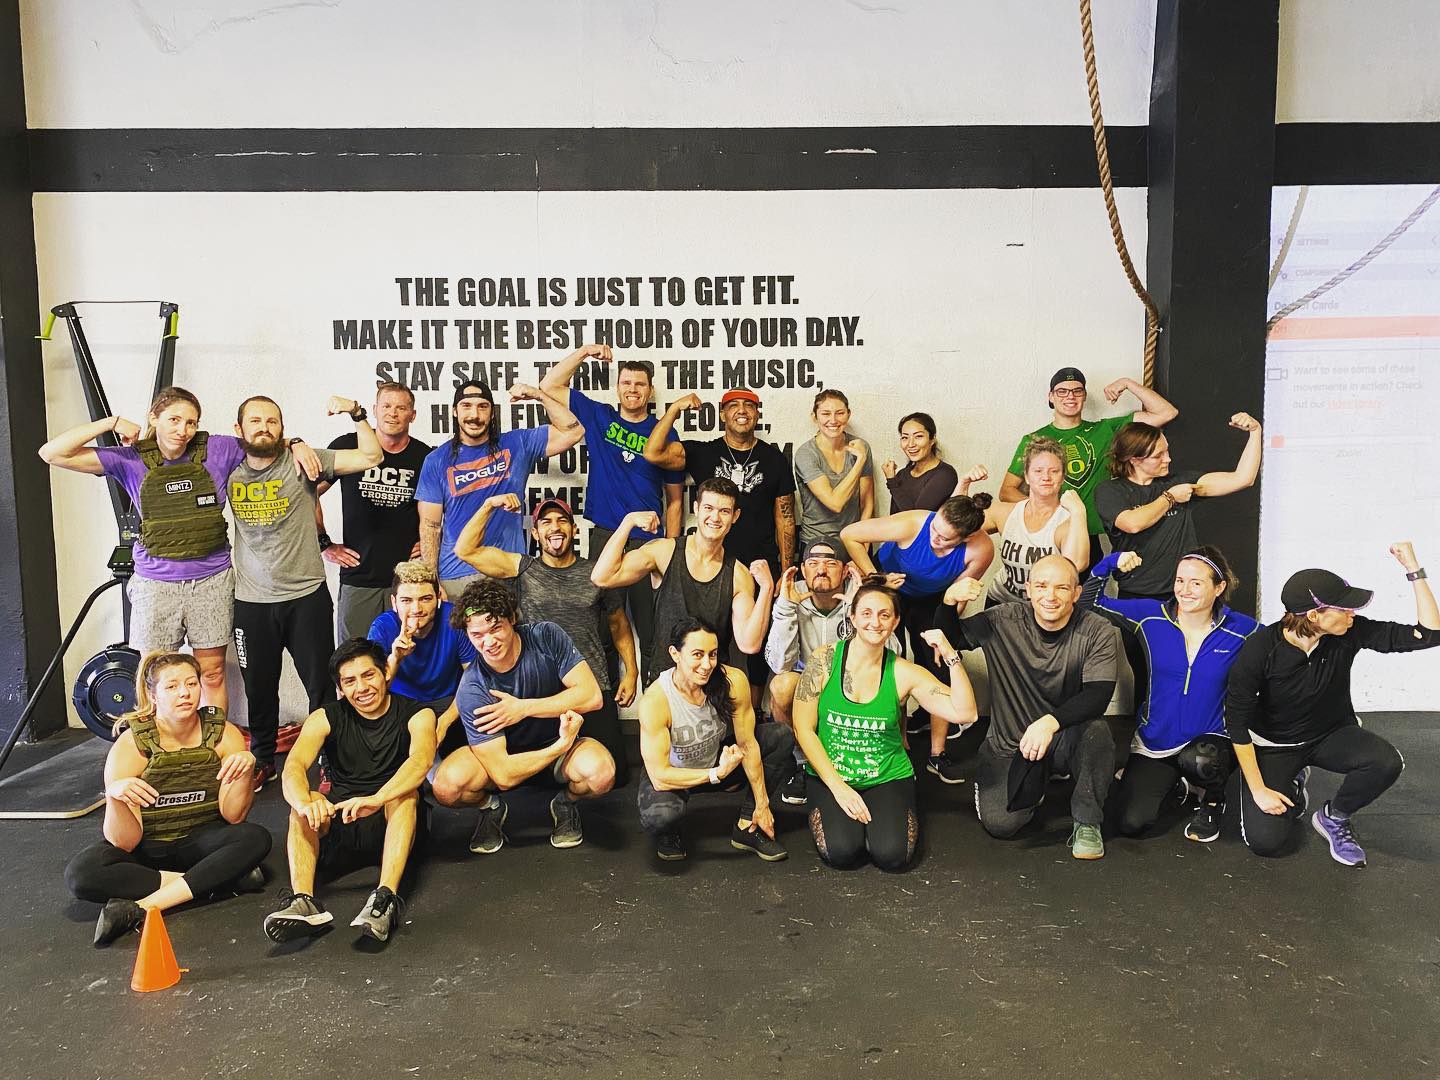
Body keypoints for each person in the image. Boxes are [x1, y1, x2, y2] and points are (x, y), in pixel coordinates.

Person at [37, 386, 297, 711]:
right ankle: (159, 741)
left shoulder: (218, 449)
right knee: (155, 676)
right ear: (154, 418)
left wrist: (297, 444)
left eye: (191, 422)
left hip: (212, 582)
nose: (182, 430)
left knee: (212, 673)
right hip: (156, 585)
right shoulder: (130, 459)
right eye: (174, 419)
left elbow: (264, 443)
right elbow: (52, 453)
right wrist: (110, 422)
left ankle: (212, 742)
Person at [1225, 543, 1440, 867]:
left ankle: (1334, 817)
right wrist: (1259, 790)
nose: (1352, 614)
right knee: (1266, 842)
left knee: (1385, 762)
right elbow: (1236, 721)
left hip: (1329, 734)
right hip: (1276, 746)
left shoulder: (1349, 632)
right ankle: (1293, 779)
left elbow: (1430, 634)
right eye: (1344, 609)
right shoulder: (1261, 650)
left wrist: (1414, 569)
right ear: (1314, 616)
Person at [229, 394, 383, 790]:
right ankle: (263, 759)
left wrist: (356, 413)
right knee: (259, 689)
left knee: (321, 686)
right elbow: (177, 445)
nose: (264, 428)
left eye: (272, 422)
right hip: (252, 602)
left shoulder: (303, 461)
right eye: (255, 421)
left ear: (282, 428)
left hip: (305, 598)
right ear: (239, 429)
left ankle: (330, 762)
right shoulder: (226, 465)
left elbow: (372, 456)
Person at [64, 652, 269, 946]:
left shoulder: (223, 733)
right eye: (172, 686)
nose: (184, 693)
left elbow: (233, 816)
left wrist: (246, 771)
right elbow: (125, 843)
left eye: (191, 683)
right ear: (153, 695)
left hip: (201, 840)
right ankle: (217, 879)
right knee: (81, 874)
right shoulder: (131, 744)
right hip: (148, 847)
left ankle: (143, 906)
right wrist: (116, 798)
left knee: (256, 838)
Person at [934, 557, 1123, 860]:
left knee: (1097, 732)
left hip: (1061, 737)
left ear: (1076, 593)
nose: (1050, 596)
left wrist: (1049, 723)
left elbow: (1098, 695)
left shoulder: (1097, 630)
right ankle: (1036, 783)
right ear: (1029, 589)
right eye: (1042, 586)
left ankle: (1087, 820)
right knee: (1002, 825)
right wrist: (947, 602)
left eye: (1062, 588)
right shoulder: (1002, 619)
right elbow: (951, 638)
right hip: (1010, 744)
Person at [792, 581, 977, 872]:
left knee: (892, 856)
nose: (875, 622)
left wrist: (950, 654)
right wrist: (838, 787)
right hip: (832, 775)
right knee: (842, 852)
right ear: (852, 617)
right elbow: (803, 728)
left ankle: (883, 817)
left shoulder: (904, 672)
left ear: (895, 622)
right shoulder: (824, 661)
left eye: (884, 615)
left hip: (886, 775)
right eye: (866, 613)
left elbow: (966, 713)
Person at [453, 492, 637, 782]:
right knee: (538, 774)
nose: (555, 527)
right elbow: (465, 550)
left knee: (609, 776)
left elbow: (618, 623)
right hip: (541, 686)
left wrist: (631, 672)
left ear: (574, 530)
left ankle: (568, 801)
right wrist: (488, 505)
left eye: (562, 520)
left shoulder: (596, 573)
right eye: (546, 522)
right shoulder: (523, 567)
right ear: (536, 533)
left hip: (590, 684)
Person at [263, 640, 436, 944]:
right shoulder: (325, 717)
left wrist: (377, 798)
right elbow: (294, 766)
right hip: (343, 818)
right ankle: (303, 902)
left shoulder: (418, 713)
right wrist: (304, 803)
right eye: (350, 681)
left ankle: (384, 900)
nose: (361, 688)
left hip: (393, 822)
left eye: (368, 675)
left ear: (385, 672)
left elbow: (420, 761)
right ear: (340, 688)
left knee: (405, 797)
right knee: (305, 802)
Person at [1084, 548, 1258, 841]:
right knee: (1131, 823)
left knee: (1202, 760)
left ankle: (1213, 800)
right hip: (1157, 742)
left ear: (1219, 588)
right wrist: (1110, 563)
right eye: (1180, 580)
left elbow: (1283, 645)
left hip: (1211, 740)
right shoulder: (1150, 616)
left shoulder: (1242, 630)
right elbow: (1089, 602)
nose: (1184, 590)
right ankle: (1179, 783)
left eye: (1196, 583)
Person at [431, 580, 612, 853]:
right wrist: (559, 746)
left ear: (512, 619)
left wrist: (523, 708)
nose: (488, 642)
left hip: (556, 745)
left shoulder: (546, 636)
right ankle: (490, 808)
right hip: (508, 756)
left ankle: (566, 802)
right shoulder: (472, 686)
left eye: (496, 628)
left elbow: (591, 696)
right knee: (447, 787)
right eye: (477, 634)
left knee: (601, 774)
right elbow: (503, 775)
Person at [537, 343, 685, 665]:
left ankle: (654, 697)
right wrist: (584, 352)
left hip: (648, 542)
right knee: (602, 627)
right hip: (606, 536)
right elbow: (549, 385)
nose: (633, 389)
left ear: (650, 390)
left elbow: (675, 500)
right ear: (617, 388)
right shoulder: (599, 416)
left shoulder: (663, 434)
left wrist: (671, 550)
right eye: (626, 383)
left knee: (653, 630)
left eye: (640, 384)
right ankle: (605, 696)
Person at [643, 388, 796, 696]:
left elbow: (786, 517)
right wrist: (673, 410)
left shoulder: (774, 459)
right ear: (723, 414)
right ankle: (692, 700)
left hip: (757, 563)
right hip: (712, 565)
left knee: (757, 644)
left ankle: (752, 709)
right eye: (734, 405)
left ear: (757, 413)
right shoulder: (703, 452)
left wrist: (784, 570)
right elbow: (653, 453)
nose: (742, 410)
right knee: (705, 637)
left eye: (749, 405)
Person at [840, 495, 995, 783]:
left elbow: (957, 597)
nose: (934, 538)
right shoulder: (914, 523)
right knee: (887, 662)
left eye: (945, 539)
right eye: (935, 529)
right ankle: (893, 741)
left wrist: (944, 636)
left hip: (930, 599)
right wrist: (878, 578)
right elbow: (849, 535)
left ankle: (937, 755)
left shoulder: (981, 549)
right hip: (889, 587)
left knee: (939, 666)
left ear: (965, 538)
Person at [636, 620, 794, 863]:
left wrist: (762, 804)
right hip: (676, 775)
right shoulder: (656, 700)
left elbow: (748, 744)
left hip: (718, 762)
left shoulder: (733, 680)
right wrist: (716, 774)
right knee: (661, 817)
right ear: (675, 654)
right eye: (697, 655)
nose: (707, 664)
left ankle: (747, 826)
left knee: (780, 736)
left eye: (712, 654)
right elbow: (659, 776)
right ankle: (669, 834)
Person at [591, 477, 773, 686]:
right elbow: (601, 576)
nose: (715, 517)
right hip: (665, 684)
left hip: (710, 687)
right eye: (708, 508)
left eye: (724, 511)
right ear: (696, 508)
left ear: (735, 516)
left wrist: (767, 589)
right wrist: (628, 522)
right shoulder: (664, 551)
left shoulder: (738, 575)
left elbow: (749, 644)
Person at [416, 378, 583, 600]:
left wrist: (539, 395)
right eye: (466, 406)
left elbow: (574, 431)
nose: (474, 415)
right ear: (455, 412)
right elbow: (431, 526)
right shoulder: (436, 460)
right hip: (457, 576)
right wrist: (430, 582)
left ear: (492, 413)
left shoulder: (518, 444)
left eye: (482, 407)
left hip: (508, 569)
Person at [765, 538, 901, 806]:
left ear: (846, 569)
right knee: (781, 685)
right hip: (809, 684)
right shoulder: (791, 595)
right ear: (803, 569)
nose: (821, 570)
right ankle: (803, 764)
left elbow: (892, 655)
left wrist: (857, 611)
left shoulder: (861, 595)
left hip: (851, 682)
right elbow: (779, 664)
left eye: (830, 563)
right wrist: (786, 609)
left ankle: (867, 761)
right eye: (813, 563)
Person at [1000, 367, 1178, 568]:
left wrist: (1127, 383)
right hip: (1050, 533)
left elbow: (1167, 412)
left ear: (1084, 396)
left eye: (1077, 391)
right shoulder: (1034, 440)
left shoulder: (1105, 429)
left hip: (1090, 536)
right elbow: (1007, 491)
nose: (1070, 396)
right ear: (1051, 396)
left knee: (1087, 587)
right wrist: (1049, 512)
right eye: (1062, 391)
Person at [1094, 412, 1262, 601]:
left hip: (1182, 595)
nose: (1168, 459)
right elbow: (1133, 524)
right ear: (1134, 459)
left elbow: (1243, 479)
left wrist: (1255, 432)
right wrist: (1170, 497)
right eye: (1158, 455)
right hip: (1137, 595)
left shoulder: (1179, 482)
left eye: (1167, 451)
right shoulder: (1111, 490)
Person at [318, 381, 432, 642]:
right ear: (375, 410)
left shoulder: (424, 456)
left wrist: (429, 543)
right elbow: (308, 491)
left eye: (401, 408)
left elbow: (443, 508)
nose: (393, 413)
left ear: (413, 415)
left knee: (407, 656)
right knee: (355, 655)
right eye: (387, 406)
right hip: (359, 577)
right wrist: (323, 543)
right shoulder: (349, 445)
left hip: (408, 580)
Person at [981, 436, 1091, 605]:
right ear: (1026, 476)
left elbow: (1076, 564)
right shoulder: (1006, 512)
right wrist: (964, 483)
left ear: (1063, 477)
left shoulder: (1067, 522)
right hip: (1000, 601)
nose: (1046, 477)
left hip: (1044, 607)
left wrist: (1079, 512)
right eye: (1038, 471)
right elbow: (957, 528)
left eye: (1054, 471)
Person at [366, 560, 475, 718]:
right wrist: (396, 658)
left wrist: (445, 722)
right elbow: (375, 691)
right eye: (406, 600)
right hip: (401, 703)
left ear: (438, 598)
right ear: (394, 602)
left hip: (449, 701)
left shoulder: (454, 618)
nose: (416, 609)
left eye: (425, 599)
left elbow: (474, 680)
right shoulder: (382, 627)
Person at [793, 389, 873, 548]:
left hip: (854, 541)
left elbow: (867, 504)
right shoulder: (806, 454)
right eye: (826, 414)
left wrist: (863, 549)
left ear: (848, 415)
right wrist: (860, 460)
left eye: (840, 413)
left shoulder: (860, 446)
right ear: (814, 417)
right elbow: (835, 503)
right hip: (816, 543)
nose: (833, 420)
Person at [882, 412, 959, 513]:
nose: (911, 444)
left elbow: (915, 516)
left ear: (932, 439)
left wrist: (892, 481)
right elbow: (895, 517)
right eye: (905, 437)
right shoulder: (902, 474)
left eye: (918, 436)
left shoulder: (945, 474)